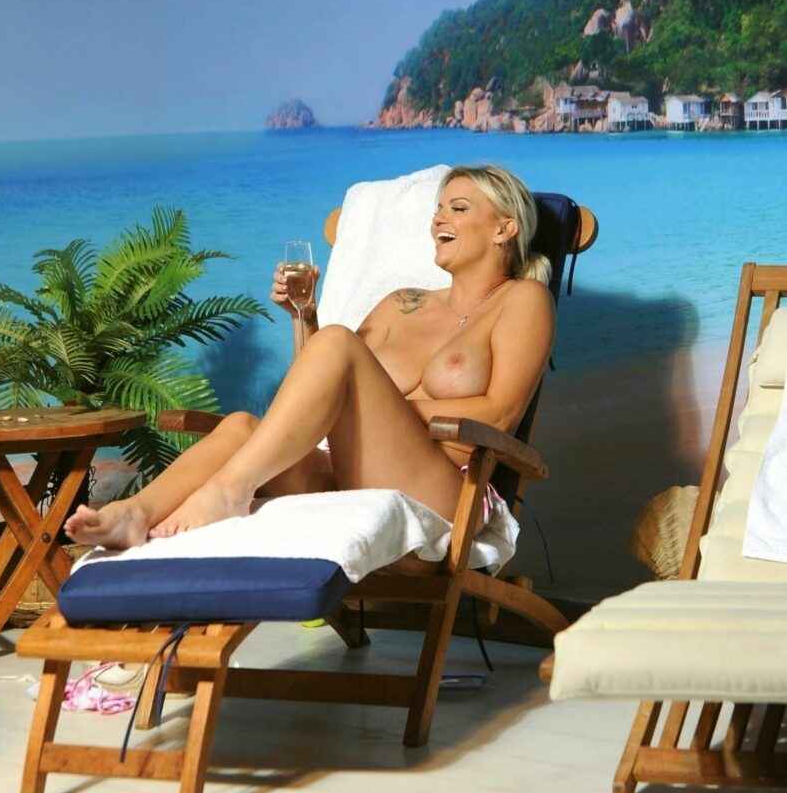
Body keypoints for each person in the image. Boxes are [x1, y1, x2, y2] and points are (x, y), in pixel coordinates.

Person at [65, 165, 555, 552]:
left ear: (504, 228)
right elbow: (324, 382)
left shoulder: (522, 300)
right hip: (348, 473)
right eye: (438, 209)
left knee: (339, 342)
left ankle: (230, 491)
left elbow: (500, 415)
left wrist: (384, 411)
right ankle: (135, 512)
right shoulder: (402, 303)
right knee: (240, 426)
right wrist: (304, 315)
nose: (438, 220)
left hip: (443, 488)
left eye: (458, 208)